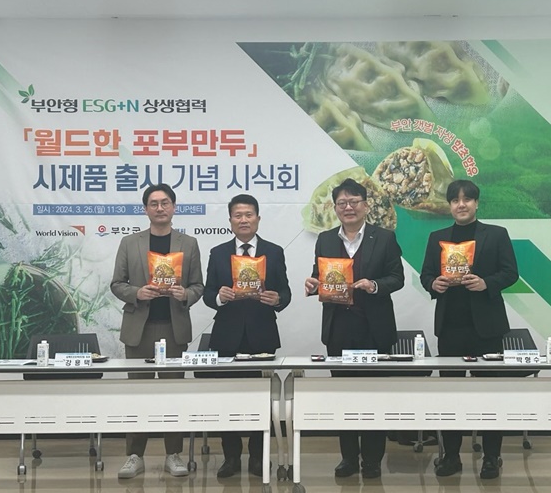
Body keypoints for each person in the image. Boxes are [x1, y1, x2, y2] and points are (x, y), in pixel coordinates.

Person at [304, 178, 404, 480]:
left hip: (374, 330)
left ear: (366, 205)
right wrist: (313, 284)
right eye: (342, 203)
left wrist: (374, 285)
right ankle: (348, 457)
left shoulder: (384, 238)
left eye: (354, 201)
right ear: (335, 208)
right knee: (343, 396)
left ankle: (372, 459)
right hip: (339, 330)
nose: (348, 207)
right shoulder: (325, 240)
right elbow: (319, 275)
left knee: (374, 396)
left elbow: (396, 278)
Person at [419, 179, 518, 480]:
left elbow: (510, 272)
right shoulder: (437, 237)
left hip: (487, 328)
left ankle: (491, 458)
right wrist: (434, 284)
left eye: (467, 199)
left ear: (476, 203)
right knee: (451, 395)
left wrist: (486, 283)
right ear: (449, 205)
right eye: (455, 200)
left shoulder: (496, 234)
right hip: (450, 328)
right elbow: (426, 275)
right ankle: (451, 456)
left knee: (490, 395)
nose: (461, 205)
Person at [110, 183, 204, 479]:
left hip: (173, 329)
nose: (160, 208)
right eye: (154, 203)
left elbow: (198, 285)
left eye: (165, 203)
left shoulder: (188, 244)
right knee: (137, 394)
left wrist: (185, 294)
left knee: (172, 394)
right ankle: (134, 455)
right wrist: (137, 293)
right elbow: (117, 284)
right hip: (139, 329)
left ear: (174, 207)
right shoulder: (130, 242)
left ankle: (173, 454)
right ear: (146, 209)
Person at [203, 194, 291, 478]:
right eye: (238, 215)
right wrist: (219, 296)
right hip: (226, 336)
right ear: (230, 220)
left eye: (249, 215)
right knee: (226, 399)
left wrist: (278, 299)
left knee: (261, 399)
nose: (243, 220)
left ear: (258, 219)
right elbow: (207, 293)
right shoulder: (218, 253)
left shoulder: (273, 251)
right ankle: (230, 457)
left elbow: (285, 292)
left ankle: (257, 456)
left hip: (262, 335)